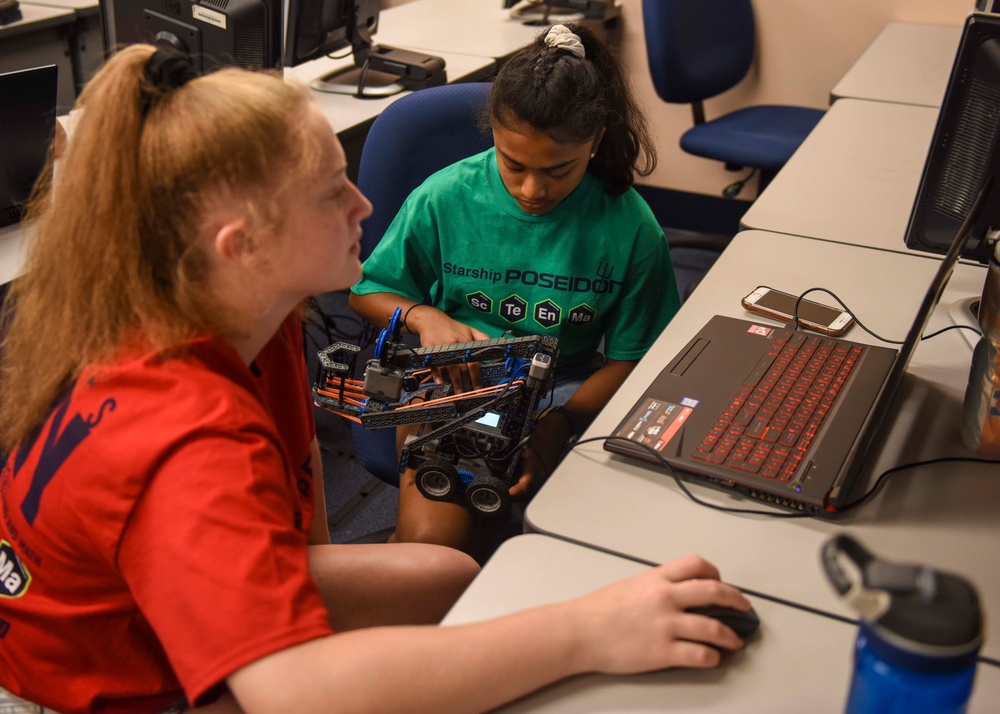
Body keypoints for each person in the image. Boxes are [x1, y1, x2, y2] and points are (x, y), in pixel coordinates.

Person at [0, 44, 751, 713]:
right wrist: (588, 631)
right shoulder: (190, 437)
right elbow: (291, 691)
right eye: (334, 191)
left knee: (447, 579)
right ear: (244, 246)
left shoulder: (259, 322)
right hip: (107, 690)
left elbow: (299, 528)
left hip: (137, 608)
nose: (364, 203)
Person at [349, 23, 681, 555]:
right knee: (433, 549)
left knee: (561, 540)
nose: (532, 190)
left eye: (558, 170)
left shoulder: (629, 227)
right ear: (495, 137)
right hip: (460, 380)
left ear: (595, 142)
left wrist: (559, 423)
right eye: (514, 165)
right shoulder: (446, 196)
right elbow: (367, 292)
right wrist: (424, 317)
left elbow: (638, 358)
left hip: (563, 388)